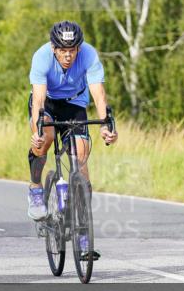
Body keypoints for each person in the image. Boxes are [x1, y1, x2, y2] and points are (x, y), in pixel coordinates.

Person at [27, 21, 118, 261]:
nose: (68, 56)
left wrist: (105, 125)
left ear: (79, 48)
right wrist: (37, 127)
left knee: (81, 157)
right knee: (44, 139)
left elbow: (98, 93)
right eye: (63, 50)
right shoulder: (41, 57)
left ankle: (83, 236)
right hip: (47, 102)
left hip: (75, 104)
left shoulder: (88, 54)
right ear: (54, 47)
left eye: (72, 50)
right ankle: (36, 188)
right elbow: (37, 99)